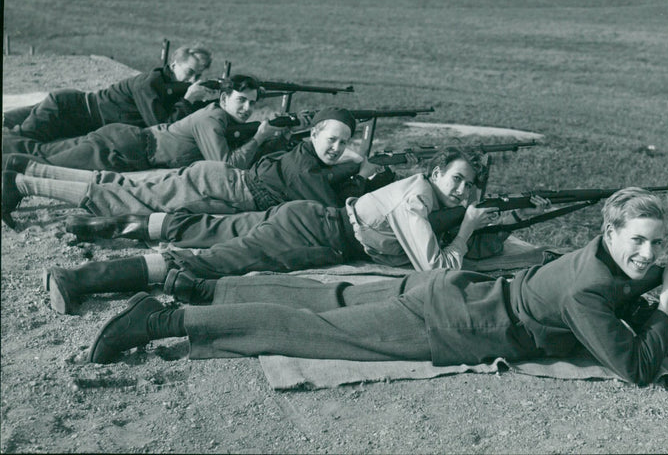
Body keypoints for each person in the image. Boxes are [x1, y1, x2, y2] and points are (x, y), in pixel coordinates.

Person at [86, 187, 668, 386]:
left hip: (457, 296)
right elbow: (631, 367)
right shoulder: (593, 288)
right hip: (458, 324)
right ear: (610, 231)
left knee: (331, 298)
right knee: (319, 331)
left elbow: (634, 275)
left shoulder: (601, 253)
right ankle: (164, 320)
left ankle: (206, 294)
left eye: (659, 243)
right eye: (640, 242)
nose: (649, 254)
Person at [40, 146, 536, 315]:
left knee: (207, 228)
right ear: (435, 172)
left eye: (472, 187)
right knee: (215, 260)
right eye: (458, 180)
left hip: (309, 217)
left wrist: (473, 219)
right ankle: (82, 278)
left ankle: (95, 224)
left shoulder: (424, 192)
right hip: (316, 234)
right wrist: (468, 231)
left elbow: (441, 224)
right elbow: (434, 268)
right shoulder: (416, 201)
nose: (464, 192)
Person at [1, 108, 385, 230]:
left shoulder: (306, 154)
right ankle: (21, 183)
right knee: (123, 198)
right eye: (331, 139)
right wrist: (366, 176)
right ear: (315, 132)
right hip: (218, 188)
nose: (337, 148)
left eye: (344, 142)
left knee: (120, 183)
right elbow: (328, 212)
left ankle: (31, 170)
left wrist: (351, 169)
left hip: (215, 178)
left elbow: (324, 178)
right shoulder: (306, 166)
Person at [2, 75, 287, 171]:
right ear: (224, 97)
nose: (248, 108)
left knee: (42, 153)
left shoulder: (214, 112)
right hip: (126, 149)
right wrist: (260, 137)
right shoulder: (211, 119)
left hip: (124, 139)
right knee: (46, 166)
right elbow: (226, 165)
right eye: (241, 101)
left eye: (252, 103)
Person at [2, 43, 214, 148]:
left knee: (12, 126)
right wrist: (188, 100)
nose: (193, 81)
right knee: (19, 142)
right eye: (189, 73)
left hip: (75, 112)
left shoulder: (167, 84)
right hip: (67, 111)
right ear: (174, 64)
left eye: (199, 76)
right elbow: (160, 127)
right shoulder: (149, 83)